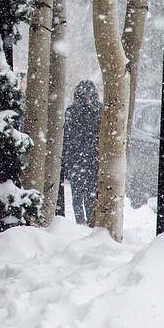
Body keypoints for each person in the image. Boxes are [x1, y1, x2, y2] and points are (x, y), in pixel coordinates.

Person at [61, 80, 102, 224]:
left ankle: (82, 222)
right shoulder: (99, 111)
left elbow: (66, 138)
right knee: (90, 195)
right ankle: (90, 222)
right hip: (92, 159)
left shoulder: (72, 111)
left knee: (78, 195)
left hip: (77, 160)